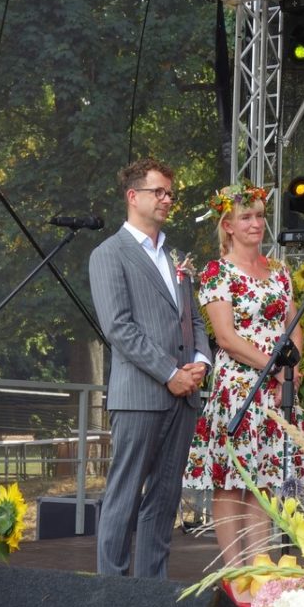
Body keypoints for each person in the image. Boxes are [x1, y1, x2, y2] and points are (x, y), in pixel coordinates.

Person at [183, 183, 304, 602]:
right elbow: (226, 337)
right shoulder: (218, 272)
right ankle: (235, 571)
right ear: (228, 225)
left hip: (276, 389)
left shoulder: (279, 271)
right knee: (231, 480)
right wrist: (274, 369)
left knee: (264, 479)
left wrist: (292, 369)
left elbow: (294, 325)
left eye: (259, 216)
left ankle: (259, 570)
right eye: (246, 217)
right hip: (239, 387)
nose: (256, 224)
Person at [90, 157, 211, 578]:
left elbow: (193, 319)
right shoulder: (109, 254)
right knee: (123, 498)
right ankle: (112, 595)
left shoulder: (175, 257)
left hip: (184, 396)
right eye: (158, 192)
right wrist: (170, 373)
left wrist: (200, 362)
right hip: (140, 396)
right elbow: (119, 328)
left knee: (164, 500)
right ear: (132, 196)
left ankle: (151, 595)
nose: (167, 199)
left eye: (170, 193)